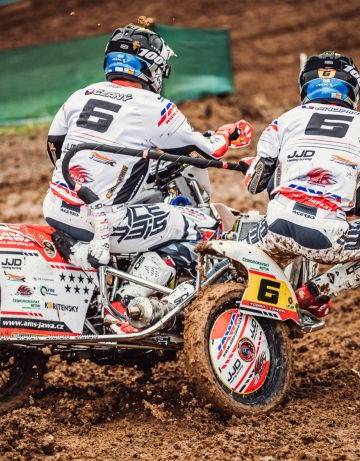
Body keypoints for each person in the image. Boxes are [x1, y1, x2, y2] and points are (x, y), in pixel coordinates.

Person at [43, 23, 250, 332]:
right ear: (151, 68)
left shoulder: (80, 95)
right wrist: (226, 134)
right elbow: (206, 152)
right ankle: (126, 304)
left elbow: (55, 147)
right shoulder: (156, 107)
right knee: (206, 226)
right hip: (102, 223)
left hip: (55, 208)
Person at [243, 51, 360, 318]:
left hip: (274, 228)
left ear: (305, 85)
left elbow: (254, 184)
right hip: (326, 238)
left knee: (234, 248)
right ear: (353, 89)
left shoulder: (282, 121)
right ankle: (316, 293)